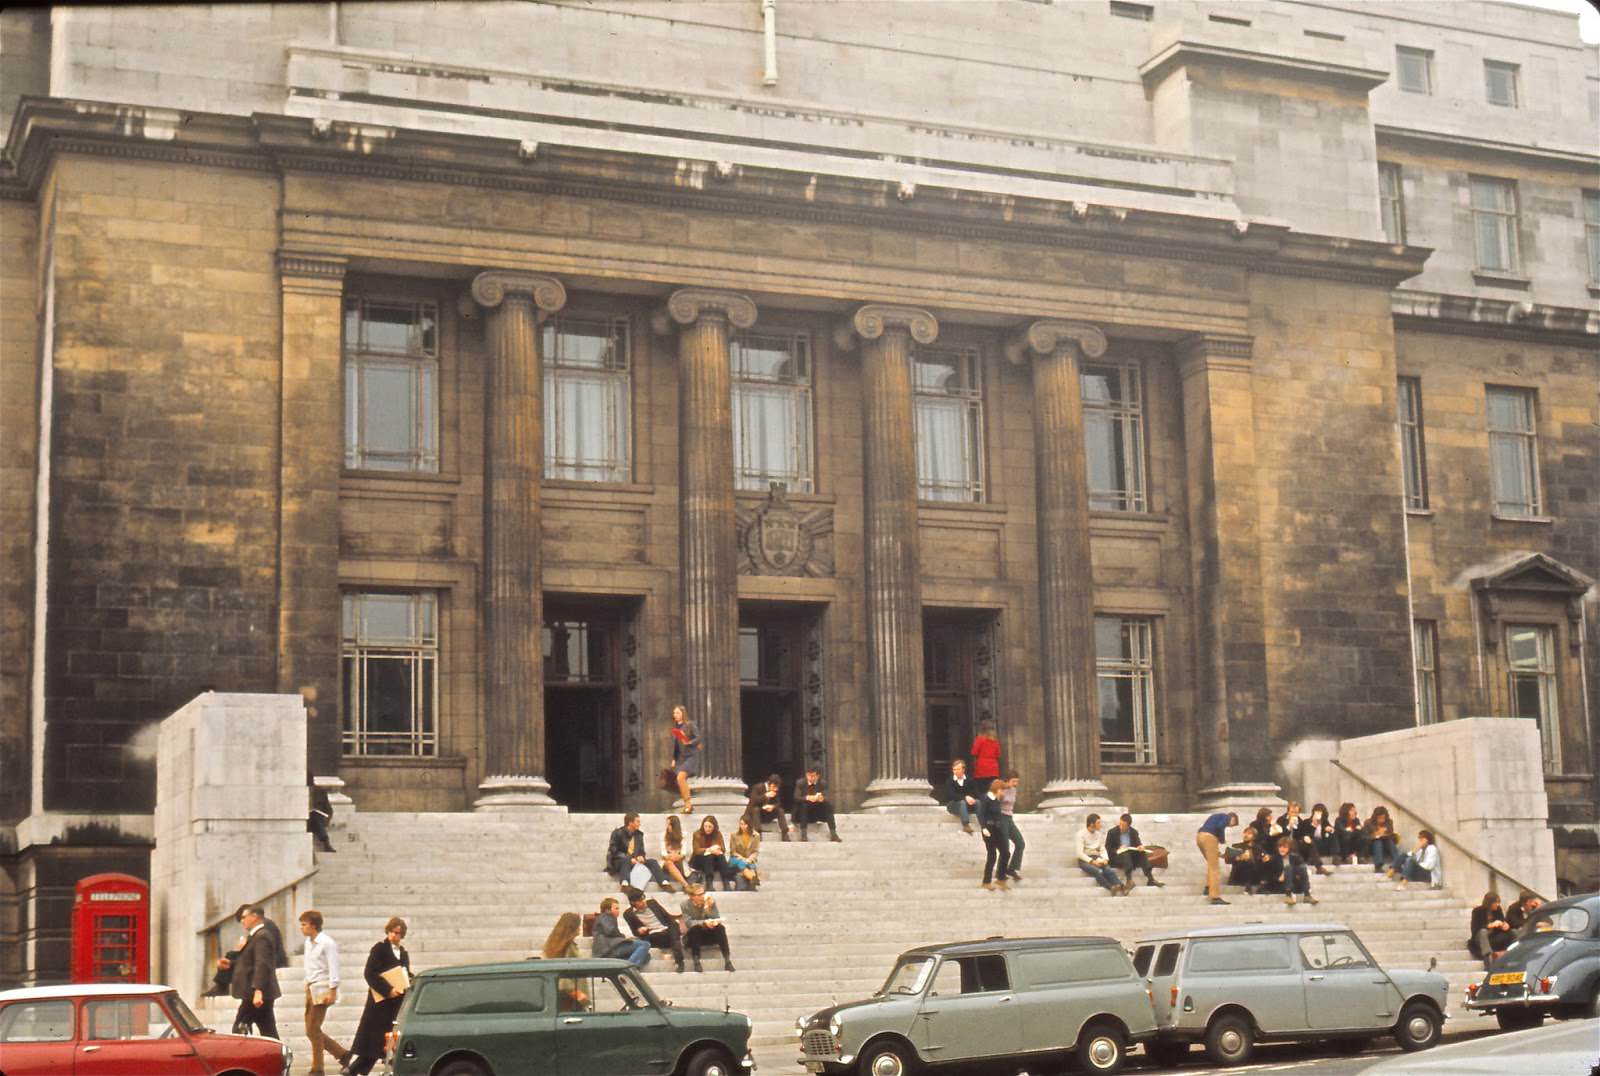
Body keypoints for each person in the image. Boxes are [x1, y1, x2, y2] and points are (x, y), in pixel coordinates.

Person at [345, 916, 411, 1076]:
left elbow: (405, 972)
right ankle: (353, 1070)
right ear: (388, 932)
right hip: (379, 1003)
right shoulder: (379, 949)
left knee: (381, 1043)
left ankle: (355, 1071)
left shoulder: (403, 952)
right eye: (392, 932)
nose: (395, 936)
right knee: (374, 1041)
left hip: (395, 1004)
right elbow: (370, 973)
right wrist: (388, 989)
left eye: (398, 934)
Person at [299, 909, 349, 1075]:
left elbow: (334, 967)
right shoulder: (308, 943)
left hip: (323, 988)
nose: (302, 928)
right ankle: (343, 1055)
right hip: (311, 987)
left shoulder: (327, 943)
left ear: (313, 926)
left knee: (313, 1028)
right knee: (311, 1029)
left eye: (304, 924)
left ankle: (318, 1067)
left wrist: (333, 991)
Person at [229, 904, 282, 1039]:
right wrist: (230, 963)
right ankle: (277, 1058)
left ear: (255, 916)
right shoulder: (256, 936)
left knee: (239, 1029)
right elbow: (249, 963)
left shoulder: (262, 936)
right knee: (268, 1031)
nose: (242, 921)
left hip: (254, 995)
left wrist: (258, 990)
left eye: (244, 917)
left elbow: (262, 964)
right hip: (257, 994)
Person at [623, 886, 686, 972]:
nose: (644, 902)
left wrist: (674, 923)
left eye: (643, 898)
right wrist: (639, 931)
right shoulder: (628, 914)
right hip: (654, 935)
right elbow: (635, 932)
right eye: (640, 901)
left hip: (666, 929)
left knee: (674, 925)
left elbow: (668, 918)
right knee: (673, 938)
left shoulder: (653, 903)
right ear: (633, 902)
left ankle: (679, 961)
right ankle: (679, 958)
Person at [606, 812, 671, 890]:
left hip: (635, 860)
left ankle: (663, 881)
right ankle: (625, 883)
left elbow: (641, 851)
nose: (639, 824)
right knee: (626, 860)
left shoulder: (639, 835)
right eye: (637, 821)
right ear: (630, 823)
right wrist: (629, 858)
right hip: (620, 860)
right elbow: (613, 850)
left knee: (652, 862)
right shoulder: (617, 833)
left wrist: (641, 856)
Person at [681, 884, 734, 973]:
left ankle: (727, 960)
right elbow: (689, 923)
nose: (702, 896)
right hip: (695, 936)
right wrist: (704, 923)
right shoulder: (685, 905)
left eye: (703, 893)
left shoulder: (709, 901)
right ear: (691, 896)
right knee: (695, 929)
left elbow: (716, 917)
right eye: (699, 894)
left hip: (709, 933)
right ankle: (696, 960)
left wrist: (709, 908)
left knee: (720, 928)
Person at [542, 913, 590, 1012]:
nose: (580, 928)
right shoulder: (569, 947)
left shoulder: (557, 945)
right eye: (578, 925)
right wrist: (577, 993)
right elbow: (563, 977)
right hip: (572, 999)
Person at [1106, 813, 1163, 889]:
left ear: (1128, 826)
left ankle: (1150, 879)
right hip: (1117, 857)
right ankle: (1129, 880)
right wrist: (1118, 850)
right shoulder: (1112, 832)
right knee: (1125, 853)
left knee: (1142, 853)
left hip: (1131, 857)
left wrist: (1140, 847)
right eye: (1120, 824)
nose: (1121, 827)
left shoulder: (1133, 832)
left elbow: (1138, 844)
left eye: (1123, 826)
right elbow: (1108, 848)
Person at [1077, 813, 1127, 895]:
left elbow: (1102, 849)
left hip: (1097, 857)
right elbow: (1080, 854)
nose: (1100, 825)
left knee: (1108, 870)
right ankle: (1110, 887)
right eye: (1098, 823)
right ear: (1091, 824)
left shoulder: (1099, 834)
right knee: (1098, 871)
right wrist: (1092, 862)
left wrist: (1105, 859)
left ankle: (1121, 886)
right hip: (1085, 860)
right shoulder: (1080, 835)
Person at [592, 896, 650, 968]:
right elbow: (610, 931)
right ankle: (628, 969)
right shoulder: (605, 917)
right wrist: (624, 937)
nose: (618, 911)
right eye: (616, 908)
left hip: (610, 948)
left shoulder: (606, 918)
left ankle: (625, 967)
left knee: (645, 955)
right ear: (607, 910)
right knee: (644, 944)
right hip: (609, 949)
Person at [1196, 811, 1237, 905]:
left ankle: (1208, 887)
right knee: (1215, 868)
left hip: (1200, 836)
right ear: (1233, 818)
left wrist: (1219, 854)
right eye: (1232, 825)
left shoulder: (1216, 816)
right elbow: (1220, 826)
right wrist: (1222, 839)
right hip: (1209, 837)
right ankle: (1214, 896)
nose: (1229, 826)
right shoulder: (1226, 817)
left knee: (1211, 865)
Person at [978, 779, 1011, 891]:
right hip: (989, 828)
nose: (1004, 794)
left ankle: (1001, 878)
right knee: (992, 855)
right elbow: (981, 814)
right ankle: (986, 881)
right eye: (1003, 791)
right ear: (998, 790)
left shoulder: (996, 800)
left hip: (997, 828)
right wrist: (983, 828)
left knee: (1005, 853)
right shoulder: (985, 799)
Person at [792, 766, 842, 842]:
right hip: (803, 813)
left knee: (828, 805)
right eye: (808, 775)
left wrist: (821, 798)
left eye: (813, 776)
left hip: (816, 812)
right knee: (803, 805)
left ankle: (833, 834)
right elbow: (796, 797)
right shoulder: (800, 783)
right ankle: (803, 835)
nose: (810, 778)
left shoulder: (822, 783)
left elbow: (827, 797)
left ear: (818, 776)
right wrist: (808, 798)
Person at [669, 704, 701, 814]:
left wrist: (689, 742)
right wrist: (673, 759)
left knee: (680, 778)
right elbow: (676, 746)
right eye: (674, 713)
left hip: (691, 755)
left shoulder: (690, 725)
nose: (675, 715)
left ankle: (688, 804)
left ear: (683, 713)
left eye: (677, 712)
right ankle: (688, 805)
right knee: (680, 780)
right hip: (681, 757)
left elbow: (698, 737)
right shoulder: (675, 728)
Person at [1279, 802, 1326, 875]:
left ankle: (1319, 866)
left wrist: (1306, 836)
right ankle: (1302, 867)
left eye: (1296, 812)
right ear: (1288, 811)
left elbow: (1302, 834)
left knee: (1310, 843)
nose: (1294, 814)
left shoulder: (1300, 821)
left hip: (1296, 844)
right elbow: (1279, 834)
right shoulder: (1281, 820)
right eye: (1292, 812)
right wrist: (1289, 827)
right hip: (1283, 843)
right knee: (1293, 842)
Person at [690, 815, 734, 891]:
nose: (707, 829)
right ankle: (709, 883)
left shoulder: (717, 834)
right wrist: (709, 850)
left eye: (710, 827)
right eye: (705, 826)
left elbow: (723, 849)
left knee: (721, 856)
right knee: (709, 856)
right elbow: (696, 850)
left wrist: (718, 849)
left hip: (713, 861)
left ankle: (726, 882)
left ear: (714, 827)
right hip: (699, 860)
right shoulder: (697, 834)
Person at [1469, 891, 1514, 968]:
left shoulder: (1498, 910)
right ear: (1489, 903)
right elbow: (1475, 928)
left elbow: (1502, 921)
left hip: (1493, 937)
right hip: (1480, 937)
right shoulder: (1477, 911)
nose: (1497, 905)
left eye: (1498, 902)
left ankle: (1514, 955)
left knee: (1513, 932)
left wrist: (1504, 925)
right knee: (1483, 932)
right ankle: (1487, 959)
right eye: (1495, 903)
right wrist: (1489, 925)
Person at [997, 770, 1024, 882]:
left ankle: (1012, 868)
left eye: (1016, 781)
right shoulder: (999, 788)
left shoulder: (1013, 790)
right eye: (1013, 781)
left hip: (1009, 818)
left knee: (1020, 843)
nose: (1015, 784)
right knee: (1005, 846)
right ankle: (1000, 872)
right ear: (1007, 780)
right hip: (1001, 818)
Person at [746, 774, 791, 841]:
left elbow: (778, 804)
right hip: (757, 814)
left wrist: (772, 807)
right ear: (770, 784)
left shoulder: (775, 791)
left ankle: (785, 833)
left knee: (780, 810)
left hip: (768, 813)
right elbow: (753, 802)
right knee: (756, 809)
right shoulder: (758, 787)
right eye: (774, 787)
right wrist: (765, 796)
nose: (776, 789)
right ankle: (758, 833)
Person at [1276, 836, 1318, 906]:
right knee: (1288, 867)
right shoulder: (1275, 859)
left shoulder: (1295, 857)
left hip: (1295, 883)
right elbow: (1270, 875)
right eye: (1280, 847)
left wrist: (1297, 875)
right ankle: (1288, 895)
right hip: (1281, 885)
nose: (1282, 849)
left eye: (1284, 847)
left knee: (1302, 867)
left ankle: (1307, 895)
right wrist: (1279, 877)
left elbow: (1301, 868)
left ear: (1289, 848)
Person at [942, 759, 980, 834]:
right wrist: (965, 797)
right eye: (954, 770)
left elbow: (976, 793)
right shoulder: (950, 781)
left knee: (978, 802)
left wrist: (971, 798)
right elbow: (951, 795)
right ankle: (966, 825)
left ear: (963, 770)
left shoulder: (970, 780)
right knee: (962, 802)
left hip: (968, 805)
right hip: (953, 805)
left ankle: (983, 823)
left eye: (958, 769)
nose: (956, 771)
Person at [1228, 828, 1268, 894]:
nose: (1246, 835)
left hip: (1255, 875)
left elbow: (1264, 857)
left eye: (1249, 833)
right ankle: (1248, 885)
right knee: (1247, 862)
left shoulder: (1258, 848)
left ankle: (1263, 884)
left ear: (1254, 837)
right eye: (1245, 833)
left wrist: (1265, 858)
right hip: (1239, 875)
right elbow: (1228, 860)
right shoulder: (1236, 846)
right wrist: (1238, 858)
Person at [728, 814, 762, 890]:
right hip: (736, 859)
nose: (743, 826)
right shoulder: (734, 835)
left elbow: (755, 851)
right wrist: (742, 858)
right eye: (741, 824)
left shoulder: (756, 835)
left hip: (749, 860)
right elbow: (733, 851)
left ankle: (752, 880)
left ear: (749, 825)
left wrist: (749, 859)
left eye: (745, 824)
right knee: (744, 864)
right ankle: (754, 878)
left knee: (749, 865)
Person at [1365, 806, 1399, 874]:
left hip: (1386, 845)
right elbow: (1365, 837)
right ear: (1375, 817)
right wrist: (1375, 835)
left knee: (1389, 841)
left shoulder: (1389, 822)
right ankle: (1378, 865)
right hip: (1372, 847)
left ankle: (1397, 863)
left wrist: (1383, 834)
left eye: (1383, 818)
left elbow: (1391, 834)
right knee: (1378, 841)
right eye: (1380, 818)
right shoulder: (1368, 823)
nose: (1382, 820)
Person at [661, 815, 692, 890]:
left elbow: (684, 852)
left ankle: (685, 884)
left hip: (679, 859)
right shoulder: (663, 835)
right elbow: (663, 852)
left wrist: (677, 856)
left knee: (679, 863)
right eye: (667, 824)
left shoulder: (683, 835)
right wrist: (669, 856)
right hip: (667, 860)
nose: (667, 826)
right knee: (669, 863)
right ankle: (686, 885)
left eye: (669, 824)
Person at [308, 781, 336, 854]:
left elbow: (329, 810)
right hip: (306, 820)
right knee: (314, 816)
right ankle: (326, 843)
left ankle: (325, 842)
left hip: (317, 819)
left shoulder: (320, 792)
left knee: (315, 816)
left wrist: (327, 819)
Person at [1306, 803, 1337, 867]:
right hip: (1311, 844)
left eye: (1320, 812)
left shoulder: (1325, 822)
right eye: (1316, 812)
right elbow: (1307, 835)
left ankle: (1335, 856)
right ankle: (1313, 860)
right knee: (1312, 842)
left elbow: (1332, 830)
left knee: (1333, 835)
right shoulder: (1307, 822)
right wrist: (1313, 825)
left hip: (1323, 844)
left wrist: (1331, 830)